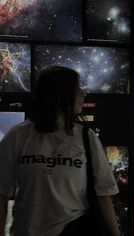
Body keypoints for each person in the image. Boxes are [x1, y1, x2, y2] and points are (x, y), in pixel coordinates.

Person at [0, 66, 120, 236]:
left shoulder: (87, 138)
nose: (83, 93)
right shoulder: (18, 136)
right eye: (77, 88)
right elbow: (2, 193)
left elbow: (103, 195)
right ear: (60, 93)